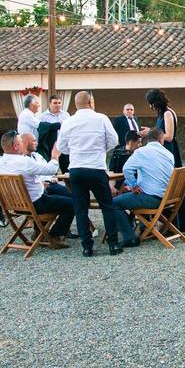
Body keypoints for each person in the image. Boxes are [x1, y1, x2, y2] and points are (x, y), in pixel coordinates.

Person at [56, 90, 123, 256]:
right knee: (107, 206)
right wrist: (101, 149)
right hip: (96, 167)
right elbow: (114, 140)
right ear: (91, 102)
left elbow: (62, 147)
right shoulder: (101, 118)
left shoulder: (68, 121)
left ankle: (87, 247)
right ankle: (113, 244)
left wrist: (75, 151)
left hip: (77, 169)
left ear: (76, 104)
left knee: (80, 208)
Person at [0, 130, 75, 247]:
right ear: (16, 147)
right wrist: (55, 156)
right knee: (71, 203)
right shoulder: (25, 162)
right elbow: (50, 170)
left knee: (49, 195)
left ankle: (39, 232)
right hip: (33, 204)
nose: (23, 144)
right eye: (21, 142)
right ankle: (55, 236)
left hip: (13, 206)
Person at [111, 127, 174, 248]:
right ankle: (145, 228)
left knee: (113, 203)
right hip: (168, 198)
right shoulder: (169, 154)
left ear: (147, 139)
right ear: (161, 139)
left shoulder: (141, 152)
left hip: (153, 199)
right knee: (141, 192)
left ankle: (129, 237)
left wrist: (133, 185)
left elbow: (126, 169)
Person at [145, 88, 185, 233]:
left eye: (150, 103)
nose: (150, 107)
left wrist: (150, 133)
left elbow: (169, 135)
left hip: (169, 150)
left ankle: (177, 224)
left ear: (154, 103)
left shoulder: (167, 113)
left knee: (173, 184)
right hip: (164, 150)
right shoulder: (163, 113)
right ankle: (171, 223)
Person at [37, 94, 69, 161]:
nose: (57, 105)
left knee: (66, 168)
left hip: (64, 144)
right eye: (55, 103)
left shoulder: (66, 115)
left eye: (59, 103)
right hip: (50, 145)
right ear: (49, 104)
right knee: (51, 167)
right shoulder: (42, 117)